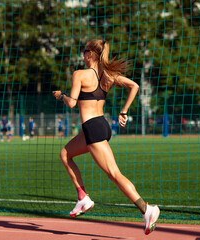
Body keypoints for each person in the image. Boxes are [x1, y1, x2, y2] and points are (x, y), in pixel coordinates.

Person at [52, 39, 159, 235]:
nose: (82, 55)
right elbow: (134, 86)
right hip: (99, 125)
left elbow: (72, 104)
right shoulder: (108, 74)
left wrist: (61, 96)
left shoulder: (80, 74)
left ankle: (147, 210)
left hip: (93, 129)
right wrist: (124, 111)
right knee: (65, 154)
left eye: (84, 51)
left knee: (114, 174)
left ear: (91, 54)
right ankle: (82, 197)